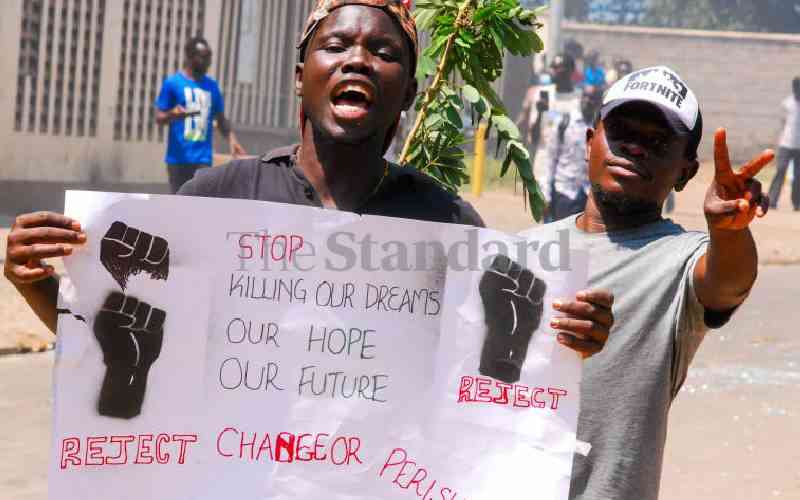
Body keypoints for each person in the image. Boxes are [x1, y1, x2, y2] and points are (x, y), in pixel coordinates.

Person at [5, 1, 612, 376]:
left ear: (407, 94)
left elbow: (486, 369)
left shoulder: (447, 222)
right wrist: (36, 285)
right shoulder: (216, 199)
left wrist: (565, 348)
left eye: (383, 52)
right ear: (302, 77)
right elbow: (122, 339)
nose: (358, 61)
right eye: (336, 45)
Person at [521, 66, 775, 499]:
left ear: (686, 172)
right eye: (621, 132)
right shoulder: (520, 251)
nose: (634, 148)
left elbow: (727, 283)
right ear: (589, 143)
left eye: (657, 142)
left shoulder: (680, 261)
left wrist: (729, 232)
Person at [154, 36, 247, 194]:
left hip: (203, 160)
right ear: (190, 57)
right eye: (203, 57)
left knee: (200, 203)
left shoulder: (212, 86)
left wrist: (232, 139)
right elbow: (159, 117)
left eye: (209, 57)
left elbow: (221, 118)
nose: (208, 61)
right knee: (179, 204)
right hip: (178, 160)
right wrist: (172, 114)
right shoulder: (173, 83)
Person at [524, 53, 591, 222]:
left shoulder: (579, 97)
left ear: (571, 72)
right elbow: (534, 137)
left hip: (573, 170)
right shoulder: (544, 94)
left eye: (562, 70)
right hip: (546, 164)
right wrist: (539, 113)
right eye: (555, 69)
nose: (557, 74)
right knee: (548, 221)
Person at [767, 76, 800, 210]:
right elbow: (782, 123)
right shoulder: (787, 103)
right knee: (780, 170)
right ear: (794, 89)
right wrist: (778, 140)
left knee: (798, 175)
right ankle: (772, 201)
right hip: (786, 144)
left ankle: (797, 203)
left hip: (799, 147)